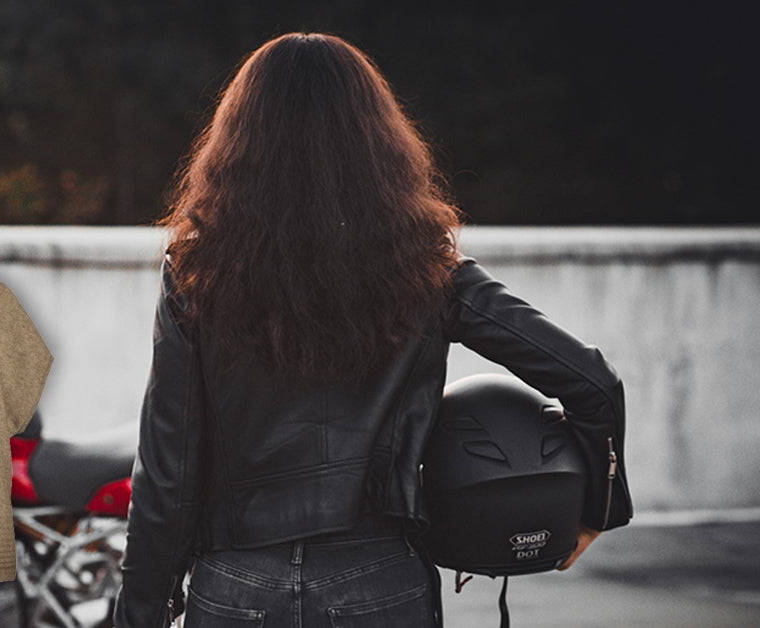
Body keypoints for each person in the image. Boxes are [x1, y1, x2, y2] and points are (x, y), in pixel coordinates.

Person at [111, 32, 631, 628]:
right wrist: (597, 508)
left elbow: (167, 472)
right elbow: (591, 379)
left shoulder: (197, 270)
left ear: (239, 141)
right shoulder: (426, 266)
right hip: (379, 581)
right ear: (377, 141)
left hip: (236, 585)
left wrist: (141, 613)